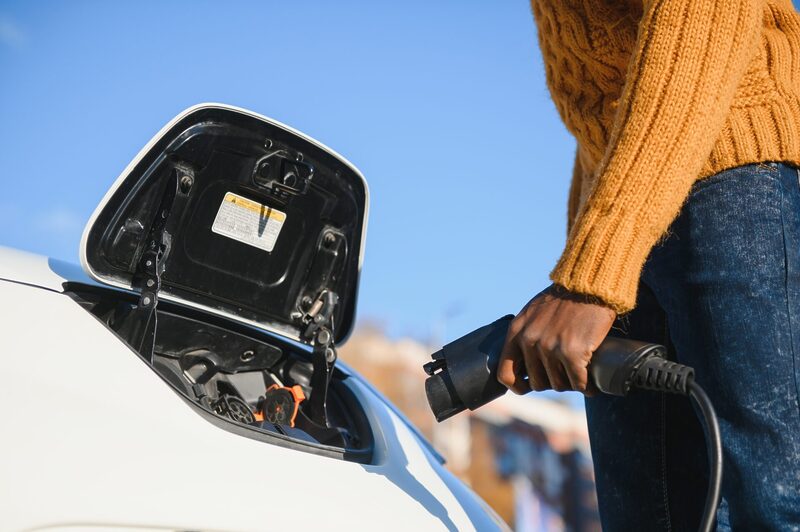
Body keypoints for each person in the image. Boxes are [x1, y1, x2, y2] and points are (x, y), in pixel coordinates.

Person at [496, 0, 800, 529]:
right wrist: (592, 245)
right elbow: (610, 84)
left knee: (770, 508)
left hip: (736, 166)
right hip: (632, 203)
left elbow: (705, 13)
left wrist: (591, 279)